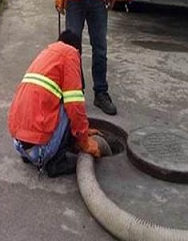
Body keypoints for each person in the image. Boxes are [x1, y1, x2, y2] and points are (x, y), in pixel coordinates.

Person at [8, 30, 111, 178]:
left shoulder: (47, 54)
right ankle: (56, 162)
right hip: (41, 152)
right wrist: (84, 141)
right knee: (71, 101)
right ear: (77, 50)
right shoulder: (70, 54)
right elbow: (75, 105)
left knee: (56, 99)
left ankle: (36, 152)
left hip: (20, 145)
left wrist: (83, 130)